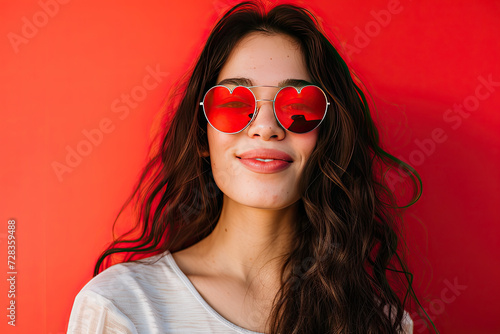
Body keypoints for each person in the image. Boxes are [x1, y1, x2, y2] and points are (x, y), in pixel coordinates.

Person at [68, 1, 434, 333]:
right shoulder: (122, 308)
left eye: (298, 105)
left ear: (327, 138)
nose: (266, 127)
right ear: (202, 137)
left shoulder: (379, 323)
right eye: (232, 103)